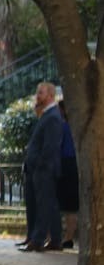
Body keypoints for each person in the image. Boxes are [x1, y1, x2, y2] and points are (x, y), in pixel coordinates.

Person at [21, 82, 65, 252]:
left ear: (51, 95)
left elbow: (50, 146)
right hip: (39, 168)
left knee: (44, 203)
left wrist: (40, 166)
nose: (37, 96)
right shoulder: (46, 115)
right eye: (37, 92)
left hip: (44, 169)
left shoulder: (53, 117)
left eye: (41, 93)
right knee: (50, 204)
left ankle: (38, 240)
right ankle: (55, 239)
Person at [57, 95, 77, 249]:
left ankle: (67, 236)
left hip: (66, 165)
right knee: (72, 206)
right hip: (74, 165)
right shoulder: (76, 127)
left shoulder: (63, 127)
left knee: (66, 205)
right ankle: (69, 236)